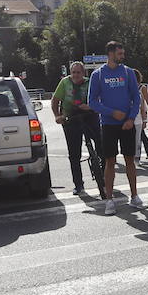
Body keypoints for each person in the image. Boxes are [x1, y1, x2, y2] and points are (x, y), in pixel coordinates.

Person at [87, 41, 144, 214]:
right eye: (119, 54)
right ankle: (109, 200)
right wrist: (112, 113)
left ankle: (135, 196)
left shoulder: (128, 73)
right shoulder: (98, 75)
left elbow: (136, 97)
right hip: (109, 125)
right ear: (110, 54)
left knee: (130, 161)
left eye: (122, 54)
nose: (122, 56)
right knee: (109, 162)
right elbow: (92, 102)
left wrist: (131, 118)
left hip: (127, 124)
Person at [51, 62, 101, 196]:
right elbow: (55, 100)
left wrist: (90, 107)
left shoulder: (89, 82)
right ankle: (78, 184)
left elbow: (99, 99)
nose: (76, 75)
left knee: (100, 144)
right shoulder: (65, 83)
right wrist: (57, 116)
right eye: (73, 72)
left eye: (78, 72)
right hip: (71, 117)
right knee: (74, 153)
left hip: (89, 115)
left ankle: (103, 173)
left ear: (83, 73)